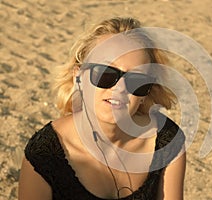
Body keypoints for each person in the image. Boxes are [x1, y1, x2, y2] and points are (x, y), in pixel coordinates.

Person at [18, 17, 186, 200]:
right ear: (78, 77)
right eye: (106, 73)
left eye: (137, 80)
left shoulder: (166, 141)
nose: (120, 89)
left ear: (145, 92)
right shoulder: (44, 155)